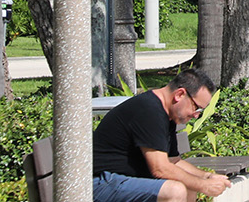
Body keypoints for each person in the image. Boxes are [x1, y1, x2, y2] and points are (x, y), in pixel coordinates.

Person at [91, 70, 231, 202]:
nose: (196, 115)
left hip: (121, 182)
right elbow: (160, 169)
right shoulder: (148, 110)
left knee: (189, 186)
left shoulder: (167, 114)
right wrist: (203, 185)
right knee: (175, 191)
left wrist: (206, 176)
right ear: (180, 94)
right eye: (196, 108)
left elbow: (173, 161)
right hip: (101, 183)